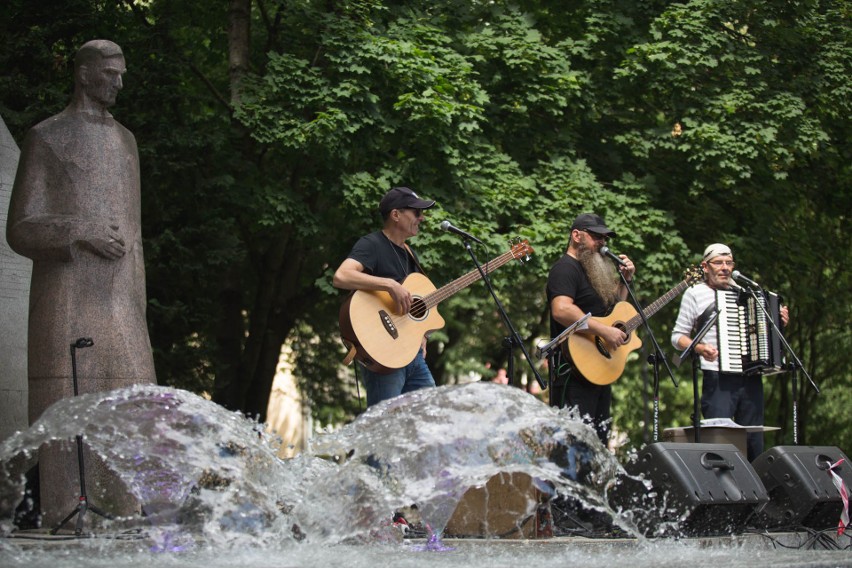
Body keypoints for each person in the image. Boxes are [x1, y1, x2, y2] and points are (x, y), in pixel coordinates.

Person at [7, 39, 156, 523]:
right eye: (110, 73)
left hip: (123, 299)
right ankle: (66, 513)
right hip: (66, 294)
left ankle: (126, 512)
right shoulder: (47, 137)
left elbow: (133, 235)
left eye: (122, 74)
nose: (119, 82)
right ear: (84, 73)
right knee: (68, 402)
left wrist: (138, 299)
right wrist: (80, 230)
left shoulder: (126, 140)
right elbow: (20, 228)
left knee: (132, 402)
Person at [671, 243, 788, 461]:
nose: (725, 267)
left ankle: (756, 491)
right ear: (705, 267)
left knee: (754, 441)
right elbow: (677, 337)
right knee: (720, 442)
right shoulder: (694, 293)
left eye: (729, 262)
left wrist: (779, 324)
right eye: (719, 263)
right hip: (717, 377)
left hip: (750, 377)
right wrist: (700, 347)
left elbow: (761, 334)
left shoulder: (745, 293)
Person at [333, 186, 437, 406]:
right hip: (384, 352)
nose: (422, 218)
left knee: (432, 418)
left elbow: (416, 305)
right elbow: (341, 276)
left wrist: (423, 336)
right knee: (383, 429)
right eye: (416, 213)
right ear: (396, 214)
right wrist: (389, 284)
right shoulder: (372, 244)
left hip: (412, 355)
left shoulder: (410, 253)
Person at [546, 213, 636, 446]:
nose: (603, 243)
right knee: (572, 446)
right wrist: (604, 332)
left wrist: (625, 281)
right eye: (596, 236)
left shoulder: (593, 273)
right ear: (577, 235)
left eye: (605, 238)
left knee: (597, 445)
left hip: (598, 369)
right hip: (573, 372)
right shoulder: (564, 268)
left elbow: (612, 315)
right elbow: (562, 310)